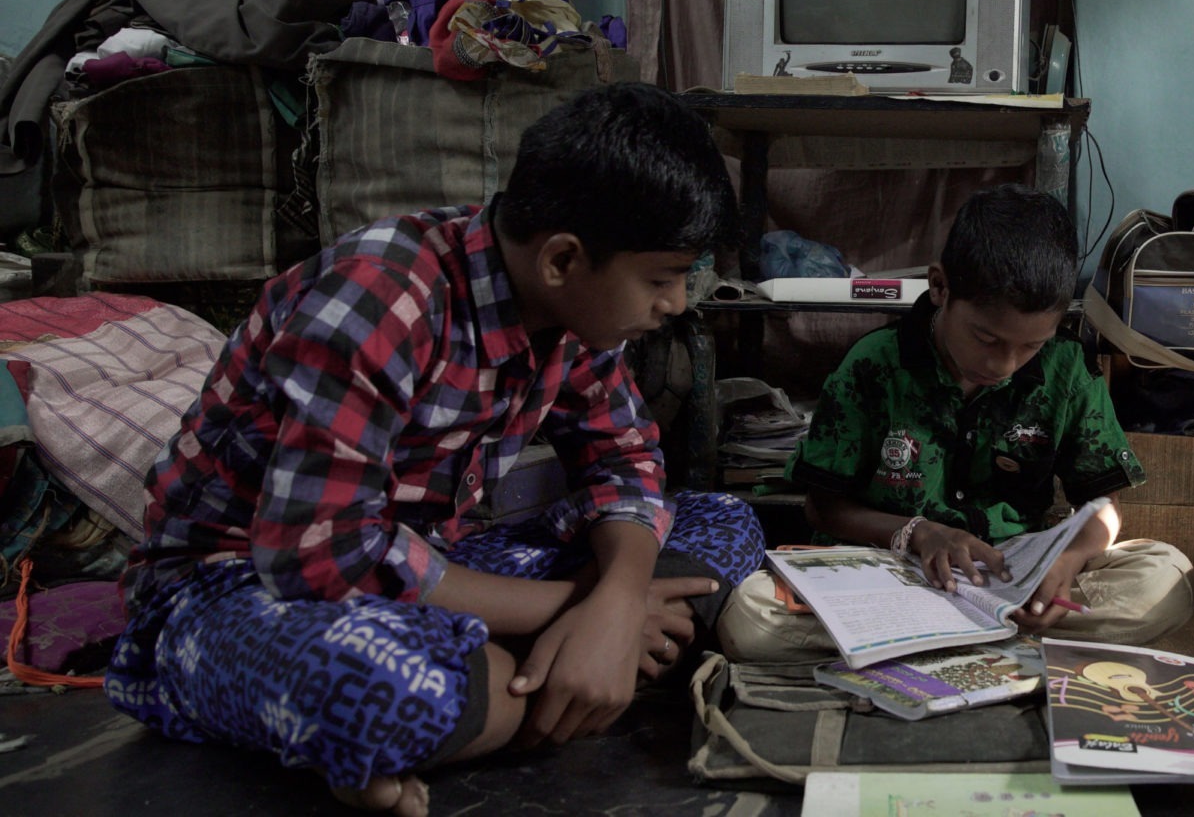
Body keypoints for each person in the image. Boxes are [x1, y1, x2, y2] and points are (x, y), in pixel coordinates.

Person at [105, 83, 766, 817]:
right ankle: (557, 676)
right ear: (562, 259)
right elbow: (321, 556)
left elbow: (624, 461)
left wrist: (614, 603)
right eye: (662, 279)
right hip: (239, 586)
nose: (676, 304)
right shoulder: (378, 296)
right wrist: (578, 612)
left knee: (723, 519)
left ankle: (524, 682)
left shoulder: (577, 314)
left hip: (431, 563)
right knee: (383, 688)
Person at [716, 184, 1193, 660]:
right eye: (986, 337)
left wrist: (1068, 560)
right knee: (754, 616)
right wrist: (920, 533)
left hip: (1012, 575)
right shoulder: (874, 364)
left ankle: (942, 639)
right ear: (940, 286)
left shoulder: (1066, 367)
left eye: (1030, 346)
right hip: (896, 569)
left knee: (1165, 578)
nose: (1005, 364)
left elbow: (1101, 507)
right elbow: (824, 510)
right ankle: (982, 640)